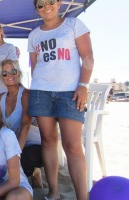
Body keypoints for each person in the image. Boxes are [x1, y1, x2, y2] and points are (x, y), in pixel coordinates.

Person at [28, 0, 94, 199]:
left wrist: (83, 85)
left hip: (69, 92)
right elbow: (34, 66)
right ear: (36, 8)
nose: (45, 7)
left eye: (50, 2)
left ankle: (82, 197)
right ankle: (54, 192)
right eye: (40, 4)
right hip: (41, 91)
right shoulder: (34, 35)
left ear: (58, 3)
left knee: (72, 146)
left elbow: (88, 57)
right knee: (48, 141)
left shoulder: (73, 24)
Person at [0, 59, 43, 188]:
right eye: (5, 73)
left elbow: (25, 126)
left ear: (18, 73)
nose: (9, 75)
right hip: (13, 144)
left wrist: (15, 156)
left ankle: (34, 171)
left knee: (24, 160)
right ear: (1, 77)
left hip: (32, 143)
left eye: (13, 71)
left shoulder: (26, 94)